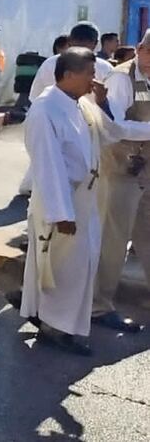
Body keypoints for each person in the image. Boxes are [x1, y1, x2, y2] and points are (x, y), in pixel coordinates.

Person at [21, 48, 150, 355]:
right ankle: (56, 328)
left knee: (81, 265)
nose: (95, 80)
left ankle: (57, 321)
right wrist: (60, 213)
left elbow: (113, 132)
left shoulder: (83, 104)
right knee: (65, 267)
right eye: (90, 73)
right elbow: (47, 166)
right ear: (68, 75)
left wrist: (103, 103)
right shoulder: (45, 110)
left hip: (85, 197)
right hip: (63, 201)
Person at [92, 30, 150, 332]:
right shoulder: (120, 79)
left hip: (145, 170)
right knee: (113, 240)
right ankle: (98, 306)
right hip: (121, 167)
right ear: (140, 48)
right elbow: (113, 126)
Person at [20, 22, 113, 195]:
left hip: (87, 126)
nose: (91, 79)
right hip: (75, 127)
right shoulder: (104, 68)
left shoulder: (52, 64)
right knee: (59, 174)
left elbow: (35, 96)